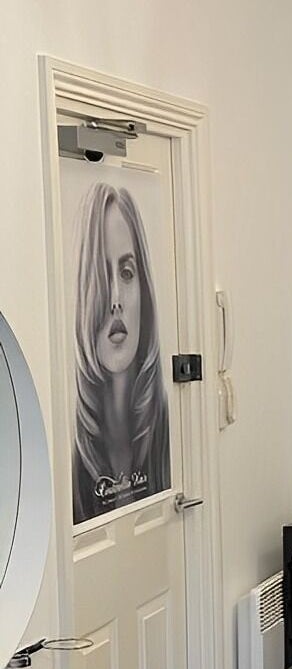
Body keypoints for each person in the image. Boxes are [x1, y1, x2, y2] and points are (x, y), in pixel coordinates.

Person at [72, 182, 170, 522]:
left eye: (127, 273)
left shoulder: (166, 433)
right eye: (101, 274)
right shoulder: (70, 452)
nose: (115, 299)